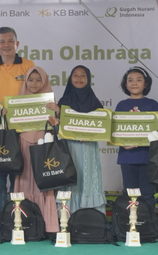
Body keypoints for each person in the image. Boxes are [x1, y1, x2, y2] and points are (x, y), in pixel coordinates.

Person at [0, 27, 35, 229]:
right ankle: (2, 222)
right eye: (2, 42)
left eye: (10, 41)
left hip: (21, 130)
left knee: (18, 179)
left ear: (17, 44)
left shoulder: (28, 66)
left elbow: (34, 96)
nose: (6, 45)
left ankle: (17, 222)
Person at [50, 65, 106, 214]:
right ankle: (67, 219)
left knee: (87, 178)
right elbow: (59, 128)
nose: (79, 78)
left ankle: (90, 218)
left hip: (88, 148)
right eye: (75, 75)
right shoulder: (64, 101)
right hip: (70, 147)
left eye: (83, 76)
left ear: (88, 79)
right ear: (70, 78)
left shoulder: (95, 102)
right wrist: (57, 121)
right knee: (70, 177)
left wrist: (88, 135)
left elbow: (102, 127)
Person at [13, 66, 60, 233]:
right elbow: (12, 125)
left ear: (45, 81)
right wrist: (6, 115)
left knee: (45, 184)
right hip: (23, 144)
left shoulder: (51, 101)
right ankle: (24, 224)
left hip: (44, 144)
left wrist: (57, 115)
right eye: (30, 79)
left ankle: (48, 225)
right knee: (24, 182)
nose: (34, 83)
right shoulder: (18, 100)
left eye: (38, 79)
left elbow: (58, 126)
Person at [115, 66, 158, 207]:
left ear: (146, 84)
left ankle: (147, 227)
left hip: (148, 158)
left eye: (139, 80)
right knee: (129, 193)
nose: (134, 83)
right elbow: (115, 130)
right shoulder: (121, 105)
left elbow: (157, 131)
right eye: (130, 80)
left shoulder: (152, 104)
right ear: (125, 85)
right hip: (127, 157)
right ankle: (130, 226)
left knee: (147, 193)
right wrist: (123, 143)